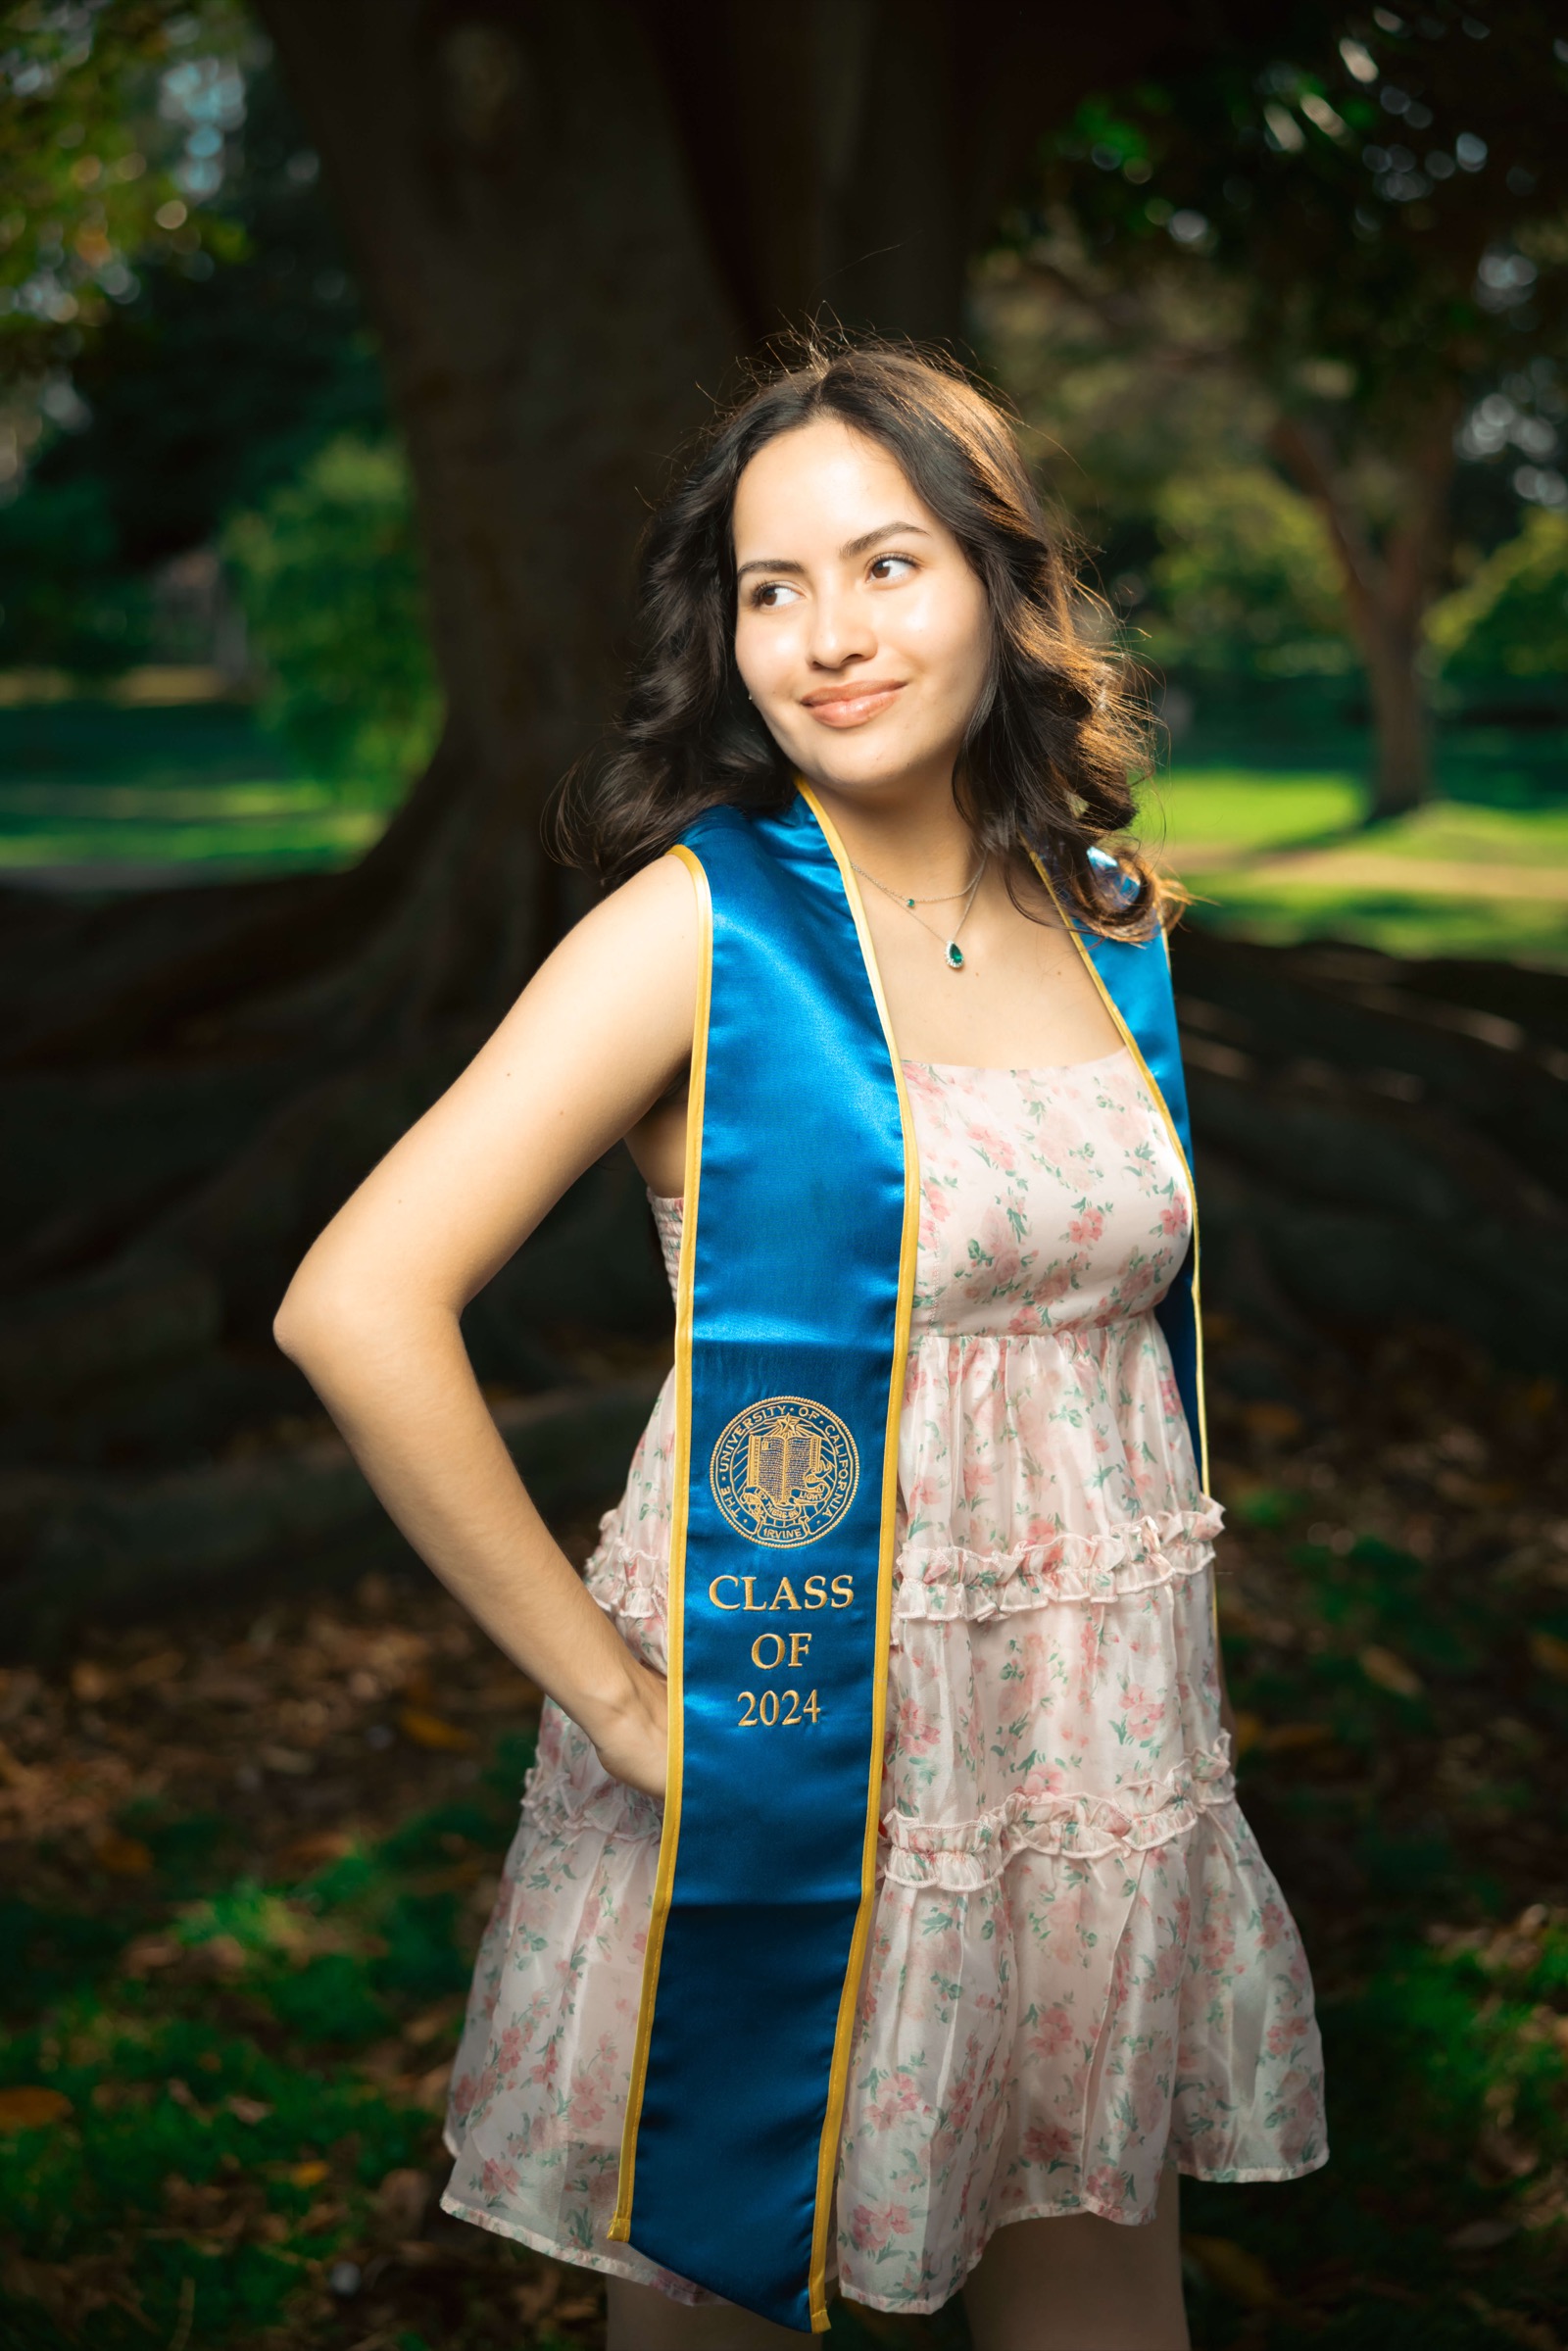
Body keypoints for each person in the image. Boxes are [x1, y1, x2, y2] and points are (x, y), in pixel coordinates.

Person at [274, 344, 1326, 2351]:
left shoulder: (1108, 918)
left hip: (1077, 1753)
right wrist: (621, 1708)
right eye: (771, 589)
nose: (826, 638)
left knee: (1103, 2303)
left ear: (1000, 589)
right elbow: (354, 1299)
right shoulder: (697, 930)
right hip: (793, 1729)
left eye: (885, 566)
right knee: (731, 2286)